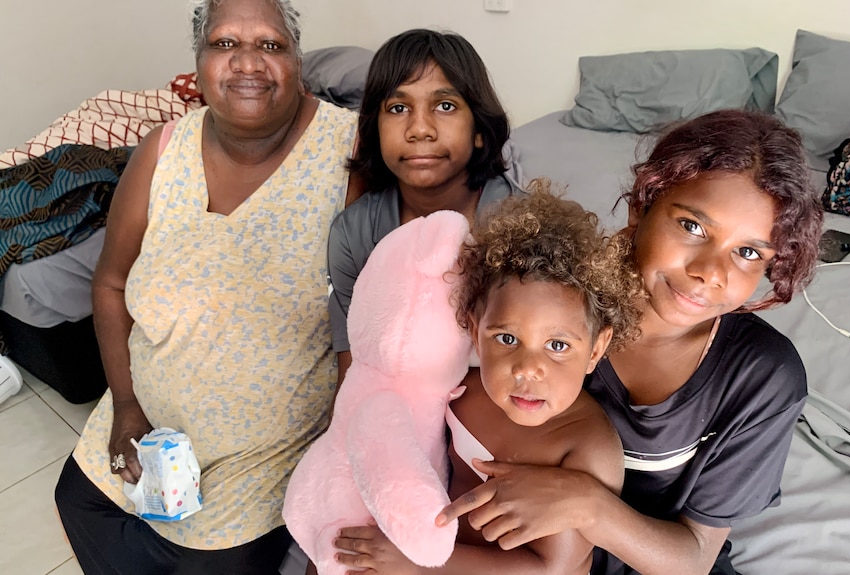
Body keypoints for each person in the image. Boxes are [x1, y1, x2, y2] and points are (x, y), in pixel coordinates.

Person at [433, 109, 824, 575]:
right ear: (643, 205)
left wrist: (586, 504)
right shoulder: (550, 298)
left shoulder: (762, 378)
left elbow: (695, 557)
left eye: (748, 253)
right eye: (692, 227)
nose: (709, 273)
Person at [53, 0, 359, 573]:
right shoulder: (161, 150)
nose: (248, 63)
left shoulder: (352, 155)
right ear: (197, 63)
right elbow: (113, 284)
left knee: (208, 561)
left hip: (261, 453)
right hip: (143, 418)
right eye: (224, 44)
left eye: (270, 45)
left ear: (296, 59)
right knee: (79, 500)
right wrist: (124, 406)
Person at [330, 187, 644, 574]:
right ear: (476, 330)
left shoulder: (586, 447)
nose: (527, 368)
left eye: (557, 345)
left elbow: (550, 571)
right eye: (508, 339)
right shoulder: (464, 391)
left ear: (596, 349)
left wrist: (417, 566)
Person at [327, 28, 522, 387]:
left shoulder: (520, 225)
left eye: (445, 106)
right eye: (398, 108)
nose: (420, 129)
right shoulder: (354, 234)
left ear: (479, 129)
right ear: (374, 130)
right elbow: (353, 368)